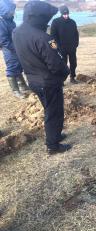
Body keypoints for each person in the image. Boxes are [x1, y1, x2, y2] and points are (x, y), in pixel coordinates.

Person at [13, 0, 72, 155]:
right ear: (40, 18)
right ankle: (53, 145)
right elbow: (56, 65)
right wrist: (66, 72)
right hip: (48, 82)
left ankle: (55, 135)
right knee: (54, 112)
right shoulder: (43, 38)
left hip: (33, 80)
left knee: (49, 109)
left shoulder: (17, 32)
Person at [0, 0, 30, 99]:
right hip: (9, 49)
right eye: (11, 10)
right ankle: (15, 90)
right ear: (5, 11)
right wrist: (14, 48)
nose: (13, 12)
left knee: (18, 66)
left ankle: (23, 86)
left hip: (15, 46)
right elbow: (3, 40)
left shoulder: (10, 20)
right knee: (12, 68)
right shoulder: (2, 22)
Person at [50, 5, 79, 84]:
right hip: (61, 48)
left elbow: (76, 34)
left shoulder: (72, 22)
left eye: (67, 14)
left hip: (72, 48)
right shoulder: (55, 22)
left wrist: (76, 44)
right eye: (64, 14)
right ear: (61, 13)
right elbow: (52, 36)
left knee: (73, 63)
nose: (66, 15)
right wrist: (54, 48)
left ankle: (72, 77)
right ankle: (61, 80)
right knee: (62, 65)